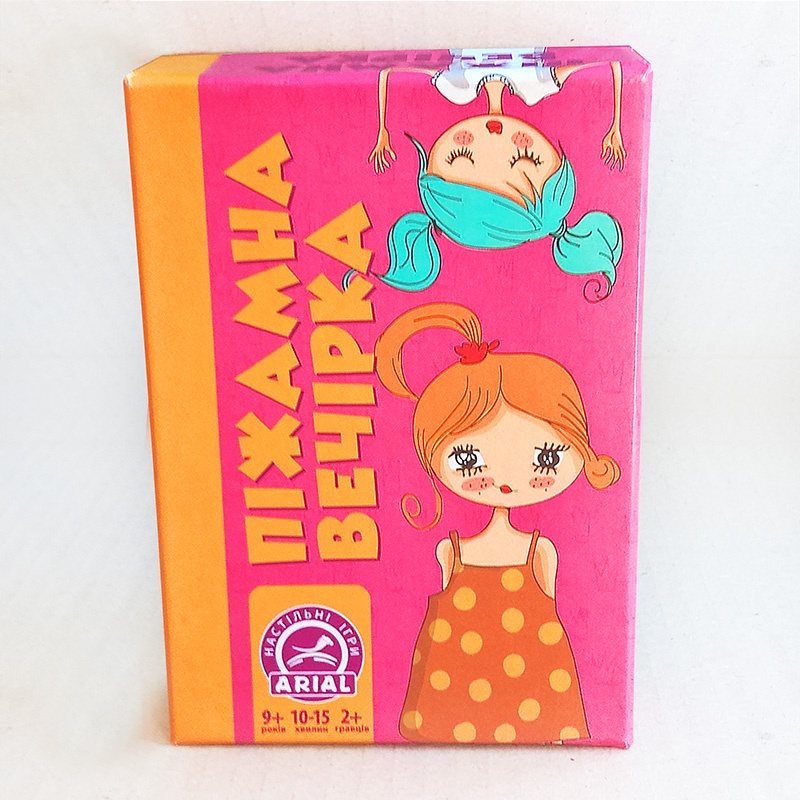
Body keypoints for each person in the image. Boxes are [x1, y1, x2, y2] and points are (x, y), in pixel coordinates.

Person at [375, 302, 621, 743]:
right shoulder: (449, 551)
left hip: (535, 694)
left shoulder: (539, 551)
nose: (505, 480)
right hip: (451, 693)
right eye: (468, 458)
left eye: (546, 456)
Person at [359, 49, 625, 300]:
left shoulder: (456, 87)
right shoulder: (538, 85)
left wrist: (382, 130)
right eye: (525, 158)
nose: (494, 135)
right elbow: (613, 63)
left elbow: (386, 72)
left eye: (461, 156)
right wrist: (615, 126)